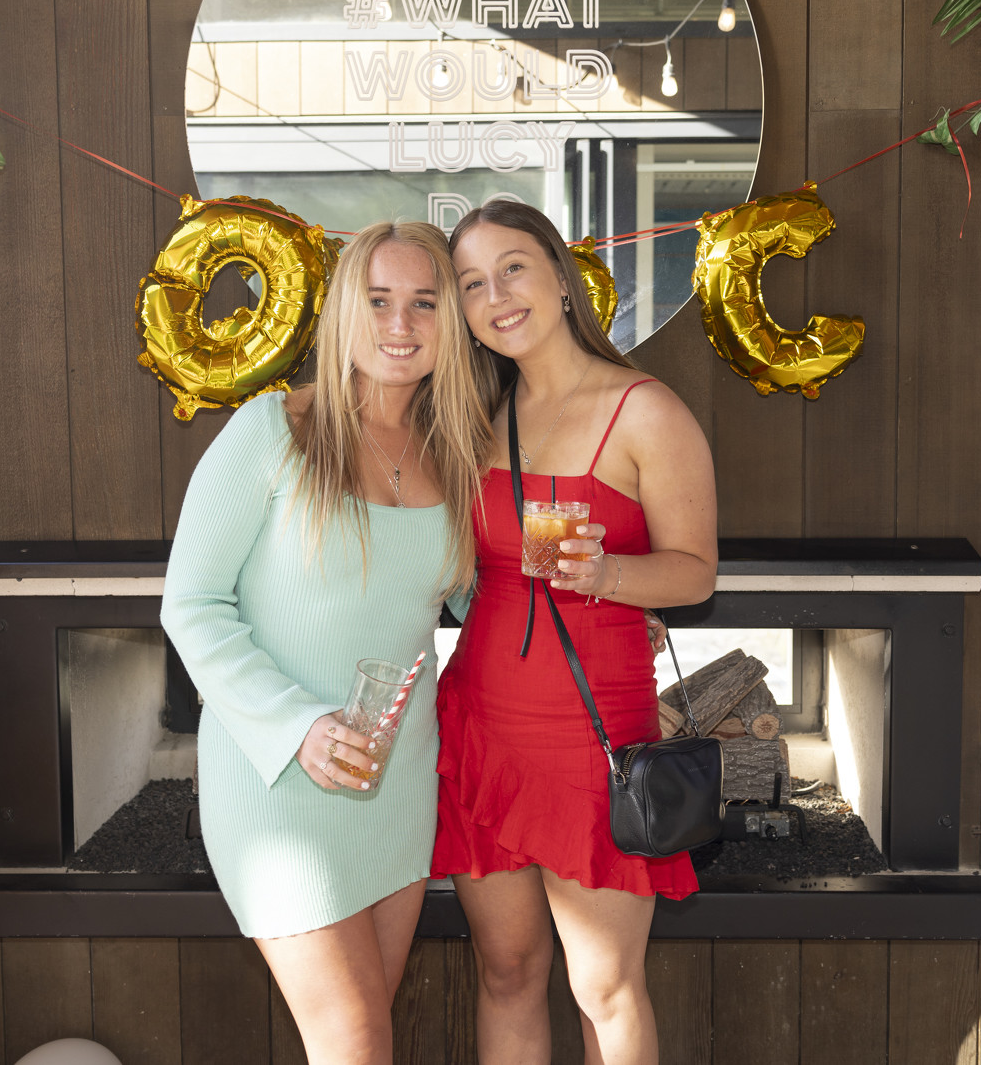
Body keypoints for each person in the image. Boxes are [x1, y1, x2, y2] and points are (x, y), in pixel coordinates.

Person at [160, 220, 495, 1063]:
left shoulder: (456, 455)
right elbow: (191, 604)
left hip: (395, 783)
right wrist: (298, 725)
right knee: (355, 1038)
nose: (400, 324)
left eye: (424, 303)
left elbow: (478, 598)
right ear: (344, 309)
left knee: (364, 1035)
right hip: (278, 777)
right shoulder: (270, 431)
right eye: (378, 300)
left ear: (451, 322)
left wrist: (607, 604)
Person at [433, 199, 718, 1065]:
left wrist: (610, 578)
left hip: (593, 737)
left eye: (513, 268)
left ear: (561, 277)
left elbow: (696, 572)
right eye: (472, 283)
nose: (496, 296)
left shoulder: (644, 410)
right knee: (507, 971)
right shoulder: (476, 414)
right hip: (480, 722)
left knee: (604, 987)